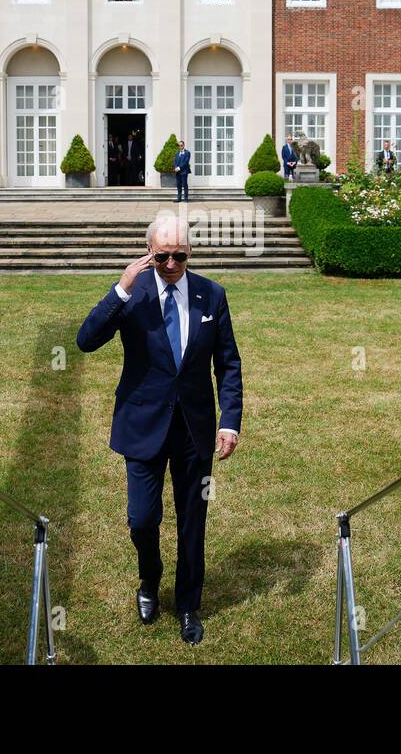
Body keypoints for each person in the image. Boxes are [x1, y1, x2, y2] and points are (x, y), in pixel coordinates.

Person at [76, 213, 243, 645]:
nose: (171, 264)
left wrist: (230, 422)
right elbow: (86, 340)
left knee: (193, 522)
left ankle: (188, 604)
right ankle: (149, 582)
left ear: (190, 253)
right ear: (149, 250)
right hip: (143, 425)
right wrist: (120, 289)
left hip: (194, 430)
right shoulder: (133, 294)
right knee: (142, 520)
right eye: (162, 255)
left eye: (179, 256)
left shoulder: (211, 295)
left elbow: (228, 363)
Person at [173, 138, 192, 202]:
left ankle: (186, 199)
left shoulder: (187, 153)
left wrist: (179, 168)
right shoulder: (177, 153)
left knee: (184, 185)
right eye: (179, 145)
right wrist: (175, 167)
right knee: (178, 185)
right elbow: (175, 161)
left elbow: (186, 162)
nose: (180, 146)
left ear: (184, 145)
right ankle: (179, 198)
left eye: (181, 145)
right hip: (177, 172)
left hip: (184, 171)